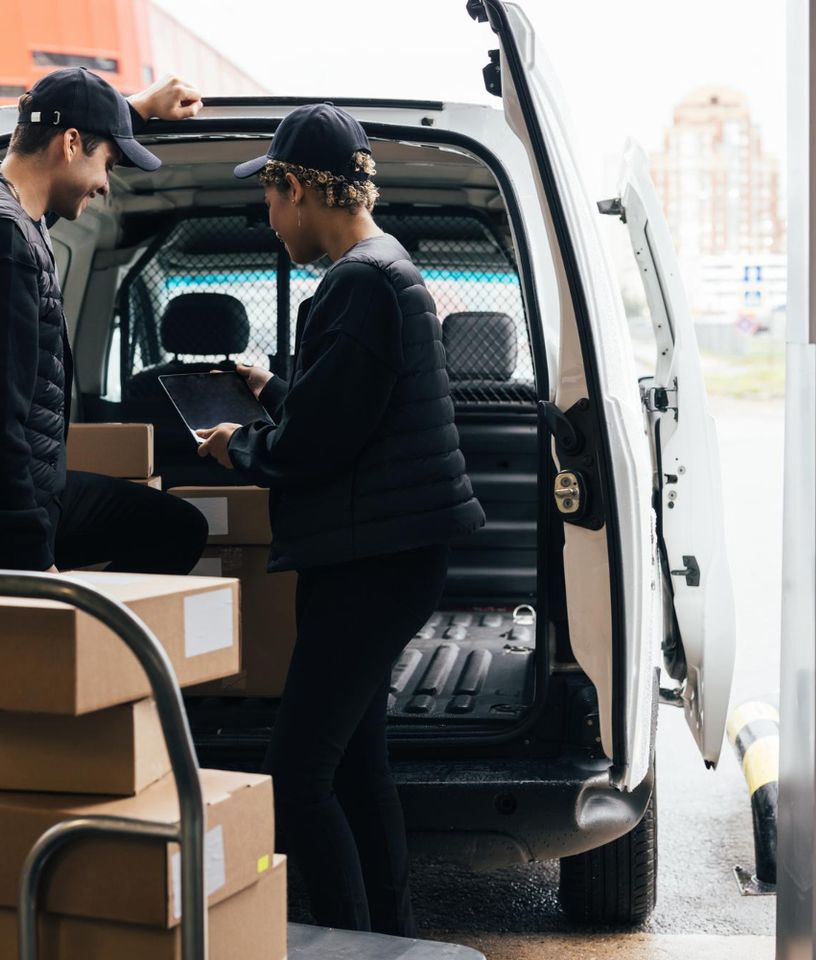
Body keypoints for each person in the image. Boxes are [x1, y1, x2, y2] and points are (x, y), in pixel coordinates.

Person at [196, 102, 486, 936]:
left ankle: (347, 942)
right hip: (384, 555)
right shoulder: (383, 266)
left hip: (374, 562)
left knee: (298, 771)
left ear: (297, 188)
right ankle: (384, 938)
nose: (269, 215)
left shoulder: (359, 282)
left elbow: (316, 446)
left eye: (270, 196)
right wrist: (268, 390)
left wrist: (236, 449)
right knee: (357, 765)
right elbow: (347, 412)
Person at [0, 67, 209, 575]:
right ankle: (94, 644)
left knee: (177, 527)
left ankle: (101, 641)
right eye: (109, 164)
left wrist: (130, 109)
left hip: (42, 488)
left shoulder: (22, 220)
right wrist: (32, 555)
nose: (106, 186)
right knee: (174, 531)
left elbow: (51, 146)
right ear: (71, 143)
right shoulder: (8, 244)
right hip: (17, 511)